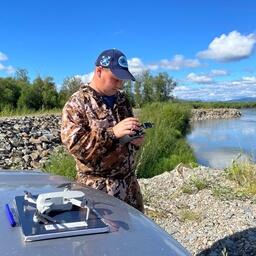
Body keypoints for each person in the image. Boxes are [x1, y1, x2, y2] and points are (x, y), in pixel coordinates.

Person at [61, 49, 144, 212]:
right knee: (101, 237)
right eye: (116, 79)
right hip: (97, 191)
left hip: (130, 187)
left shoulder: (122, 100)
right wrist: (112, 133)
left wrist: (135, 140)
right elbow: (76, 147)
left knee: (136, 236)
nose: (120, 84)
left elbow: (125, 136)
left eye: (123, 80)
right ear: (99, 71)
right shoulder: (77, 104)